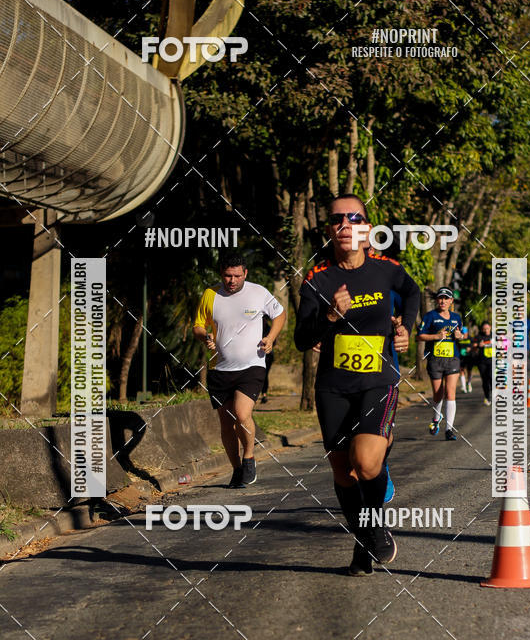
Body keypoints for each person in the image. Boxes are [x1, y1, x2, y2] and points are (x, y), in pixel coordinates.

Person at [294, 194, 420, 576]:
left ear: (367, 227)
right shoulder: (318, 279)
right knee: (343, 473)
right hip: (333, 386)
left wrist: (405, 329)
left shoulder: (387, 270)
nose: (345, 224)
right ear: (329, 229)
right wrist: (330, 316)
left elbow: (413, 293)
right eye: (337, 219)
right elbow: (302, 338)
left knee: (365, 463)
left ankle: (376, 528)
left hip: (378, 382)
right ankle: (363, 541)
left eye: (355, 218)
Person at [193, 253, 286, 488]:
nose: (232, 280)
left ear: (245, 273)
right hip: (219, 368)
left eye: (236, 275)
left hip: (252, 366)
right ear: (221, 274)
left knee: (242, 414)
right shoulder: (210, 295)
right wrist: (206, 337)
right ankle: (236, 469)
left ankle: (249, 457)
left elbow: (280, 314)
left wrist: (271, 338)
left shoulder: (258, 292)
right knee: (226, 423)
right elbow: (197, 325)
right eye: (227, 275)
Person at [417, 289, 468, 440]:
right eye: (440, 299)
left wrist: (460, 336)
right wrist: (436, 336)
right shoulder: (430, 316)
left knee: (451, 393)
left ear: (451, 301)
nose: (443, 301)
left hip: (453, 359)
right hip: (435, 359)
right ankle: (436, 417)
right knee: (438, 394)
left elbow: (461, 334)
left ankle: (449, 429)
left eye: (446, 299)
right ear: (437, 301)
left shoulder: (456, 317)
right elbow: (419, 336)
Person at [473, 320, 493, 405]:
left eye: (487, 328)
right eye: (484, 329)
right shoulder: (479, 336)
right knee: (485, 380)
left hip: (492, 360)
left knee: (492, 378)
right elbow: (473, 345)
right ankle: (487, 397)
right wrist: (478, 345)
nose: (486, 330)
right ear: (482, 329)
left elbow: (504, 343)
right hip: (482, 361)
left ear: (490, 327)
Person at [458, 329, 475, 393]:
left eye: (465, 333)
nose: (464, 335)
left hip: (469, 357)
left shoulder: (470, 338)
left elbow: (474, 345)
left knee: (469, 371)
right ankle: (463, 386)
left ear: (467, 333)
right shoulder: (459, 339)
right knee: (461, 370)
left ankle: (469, 383)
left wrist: (470, 348)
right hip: (461, 357)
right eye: (462, 333)